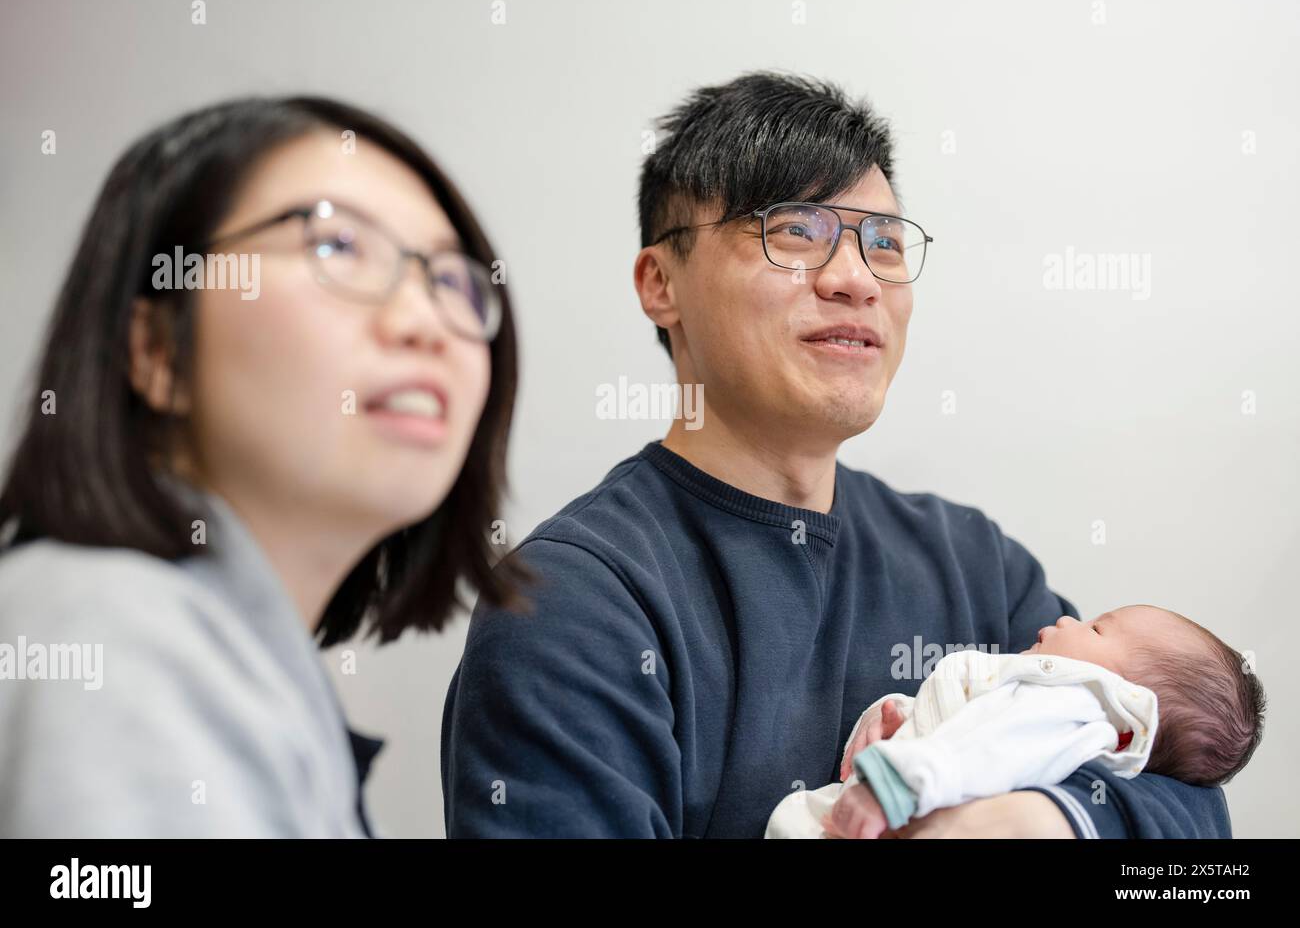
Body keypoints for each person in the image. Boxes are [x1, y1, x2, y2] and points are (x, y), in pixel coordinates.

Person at [441, 71, 1232, 838]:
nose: (856, 279)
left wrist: (1037, 820)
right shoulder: (575, 602)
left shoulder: (975, 565)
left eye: (884, 243)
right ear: (661, 282)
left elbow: (1190, 796)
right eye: (795, 232)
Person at [0, 96, 527, 836]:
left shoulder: (228, 655)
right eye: (336, 246)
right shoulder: (108, 635)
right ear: (156, 350)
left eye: (451, 282)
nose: (424, 322)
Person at [766, 604, 1265, 838]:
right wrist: (903, 724)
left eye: (1096, 627)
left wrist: (894, 784)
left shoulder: (1075, 704)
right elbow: (976, 733)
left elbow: (991, 748)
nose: (1068, 620)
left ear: (1128, 699)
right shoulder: (1045, 699)